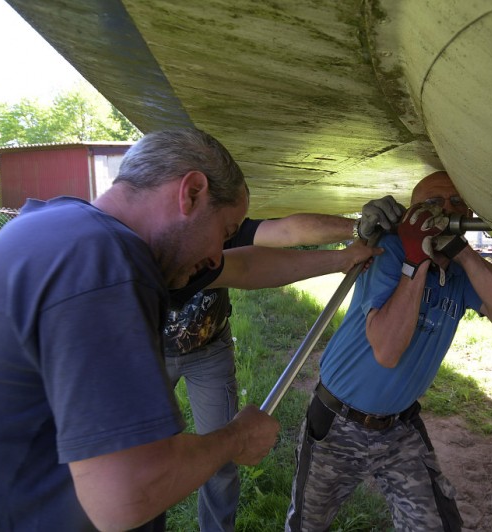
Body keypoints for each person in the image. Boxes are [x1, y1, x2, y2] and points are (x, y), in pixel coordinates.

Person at [0, 128, 283, 531]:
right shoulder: (105, 263)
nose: (217, 256)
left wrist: (343, 259)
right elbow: (126, 495)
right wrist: (236, 438)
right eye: (225, 232)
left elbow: (246, 267)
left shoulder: (56, 228)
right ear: (192, 192)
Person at [285, 171, 492, 531]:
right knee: (307, 524)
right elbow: (387, 350)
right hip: (337, 423)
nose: (444, 211)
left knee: (435, 525)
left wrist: (462, 252)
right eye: (432, 204)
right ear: (413, 214)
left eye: (455, 205)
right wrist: (416, 259)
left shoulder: (462, 274)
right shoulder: (388, 251)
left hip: (399, 429)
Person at [164, 196, 405, 532]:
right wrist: (340, 257)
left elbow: (284, 231)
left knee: (219, 455)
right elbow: (242, 268)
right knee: (139, 455)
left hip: (208, 349)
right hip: (149, 352)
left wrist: (355, 228)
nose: (221, 242)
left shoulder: (216, 224)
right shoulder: (150, 244)